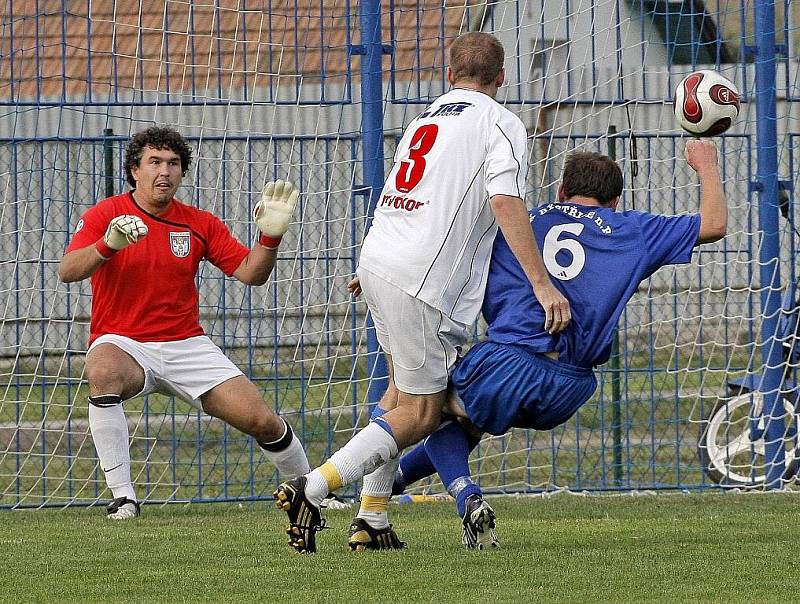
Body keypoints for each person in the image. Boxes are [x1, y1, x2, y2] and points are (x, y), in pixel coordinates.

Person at [273, 31, 571, 554]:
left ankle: (373, 520)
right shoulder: (500, 123)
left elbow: (404, 195)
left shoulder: (425, 119)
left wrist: (375, 269)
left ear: (448, 75)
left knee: (395, 396)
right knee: (423, 412)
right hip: (423, 279)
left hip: (381, 257)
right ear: (502, 78)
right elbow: (505, 201)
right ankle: (312, 488)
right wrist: (542, 284)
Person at [387, 138, 728, 548]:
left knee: (430, 409)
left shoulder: (519, 224)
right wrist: (706, 163)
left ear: (561, 191)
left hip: (510, 363)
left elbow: (445, 254)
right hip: (571, 387)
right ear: (616, 201)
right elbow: (714, 225)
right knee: (469, 424)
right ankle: (394, 483)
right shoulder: (633, 229)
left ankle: (442, 491)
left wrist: (382, 276)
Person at [58, 126, 310, 519]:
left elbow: (250, 273)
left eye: (173, 164)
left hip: (186, 344)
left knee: (262, 420)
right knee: (102, 370)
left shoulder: (200, 223)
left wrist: (270, 237)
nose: (164, 172)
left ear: (182, 171)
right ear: (134, 170)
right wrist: (108, 244)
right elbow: (68, 270)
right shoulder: (106, 214)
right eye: (154, 162)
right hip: (124, 342)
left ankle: (309, 490)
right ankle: (124, 498)